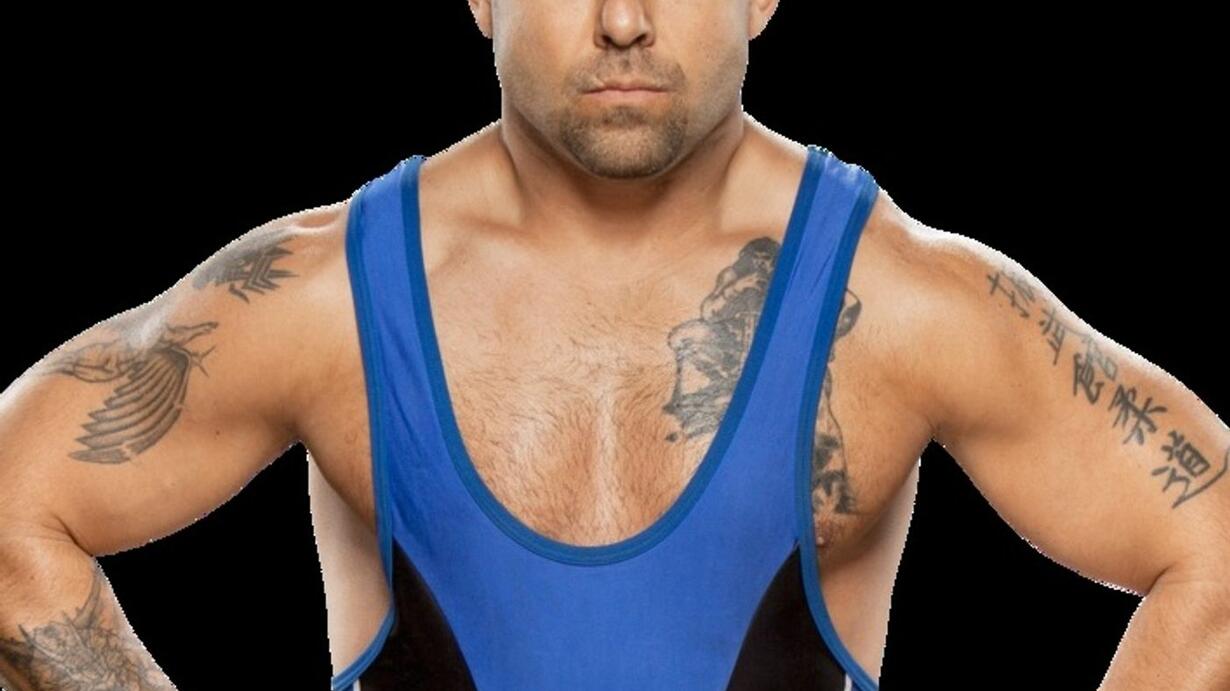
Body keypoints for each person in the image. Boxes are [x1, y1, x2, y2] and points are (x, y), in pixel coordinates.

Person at [2, 1, 1227, 690]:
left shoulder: (898, 302)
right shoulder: (326, 298)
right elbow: (11, 508)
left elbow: (1215, 546)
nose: (626, 21)